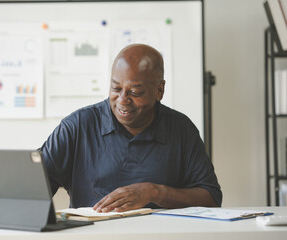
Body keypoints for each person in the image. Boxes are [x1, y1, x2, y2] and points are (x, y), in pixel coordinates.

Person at [40, 44, 222, 213]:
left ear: (160, 90)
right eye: (116, 88)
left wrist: (154, 192)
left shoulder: (181, 129)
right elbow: (32, 187)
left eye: (135, 92)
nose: (122, 100)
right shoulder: (77, 126)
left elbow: (211, 198)